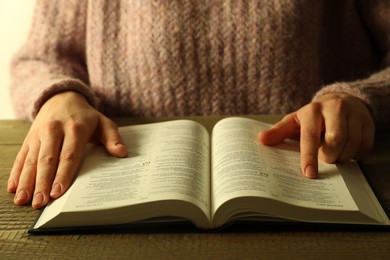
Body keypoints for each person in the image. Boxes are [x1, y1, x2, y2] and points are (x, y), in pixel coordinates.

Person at [7, 0, 390, 209]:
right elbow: (39, 59)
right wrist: (59, 96)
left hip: (316, 192)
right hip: (123, 194)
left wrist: (358, 99)